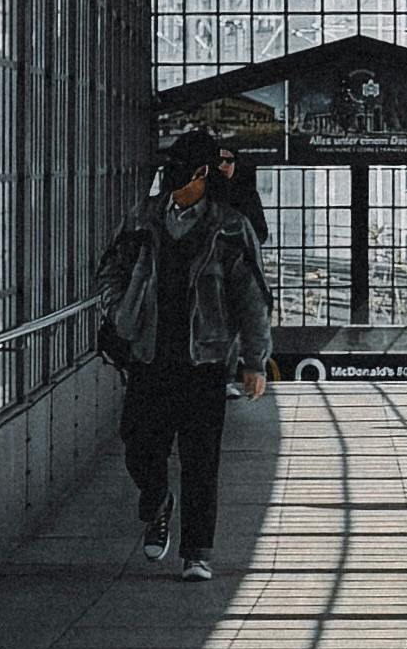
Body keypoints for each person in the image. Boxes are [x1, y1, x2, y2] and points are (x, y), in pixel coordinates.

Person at [96, 127, 275, 581]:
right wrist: (120, 311)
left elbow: (252, 298)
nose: (170, 177)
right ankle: (156, 499)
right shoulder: (142, 217)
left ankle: (197, 551)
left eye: (181, 169)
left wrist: (255, 361)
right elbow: (111, 268)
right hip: (150, 355)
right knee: (138, 443)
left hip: (204, 361)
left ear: (202, 173)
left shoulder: (230, 227)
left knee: (200, 459)